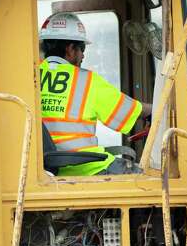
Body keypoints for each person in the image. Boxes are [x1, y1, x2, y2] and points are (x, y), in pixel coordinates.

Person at [38, 12, 152, 175]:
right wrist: (152, 110)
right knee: (145, 182)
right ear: (70, 49)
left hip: (44, 170)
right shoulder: (85, 80)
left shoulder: (30, 77)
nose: (83, 55)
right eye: (81, 49)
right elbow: (128, 110)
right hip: (86, 167)